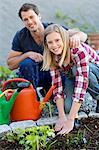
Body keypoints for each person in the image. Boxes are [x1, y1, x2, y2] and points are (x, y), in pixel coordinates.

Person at [7, 3, 87, 93]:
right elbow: (10, 64)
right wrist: (27, 54)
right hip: (34, 76)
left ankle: (55, 95)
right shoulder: (21, 36)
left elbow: (83, 35)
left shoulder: (52, 30)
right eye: (25, 19)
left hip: (56, 73)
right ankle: (32, 98)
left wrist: (76, 37)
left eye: (31, 17)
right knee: (26, 63)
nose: (29, 21)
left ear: (39, 16)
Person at [42, 24, 99, 134]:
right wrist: (62, 117)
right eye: (50, 42)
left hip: (93, 70)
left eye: (57, 40)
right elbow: (57, 86)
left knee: (75, 70)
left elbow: (81, 82)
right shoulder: (52, 56)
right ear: (46, 44)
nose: (54, 45)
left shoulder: (77, 50)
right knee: (67, 107)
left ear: (64, 39)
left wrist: (71, 119)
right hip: (72, 76)